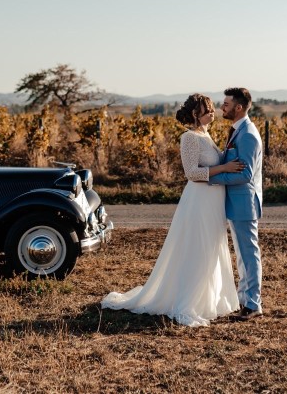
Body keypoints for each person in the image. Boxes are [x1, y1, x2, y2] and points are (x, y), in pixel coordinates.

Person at [101, 93, 243, 326]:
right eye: (207, 109)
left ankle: (211, 298)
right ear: (196, 113)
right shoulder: (189, 138)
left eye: (211, 108)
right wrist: (224, 167)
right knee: (199, 246)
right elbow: (192, 173)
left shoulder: (205, 135)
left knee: (212, 246)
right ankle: (191, 300)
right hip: (199, 200)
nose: (212, 112)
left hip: (213, 201)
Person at [209, 87, 264, 321]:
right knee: (242, 255)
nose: (222, 107)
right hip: (235, 202)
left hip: (244, 203)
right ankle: (244, 300)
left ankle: (253, 304)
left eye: (226, 104)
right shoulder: (237, 131)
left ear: (238, 107)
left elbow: (245, 175)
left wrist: (212, 178)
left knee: (248, 253)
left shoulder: (248, 134)